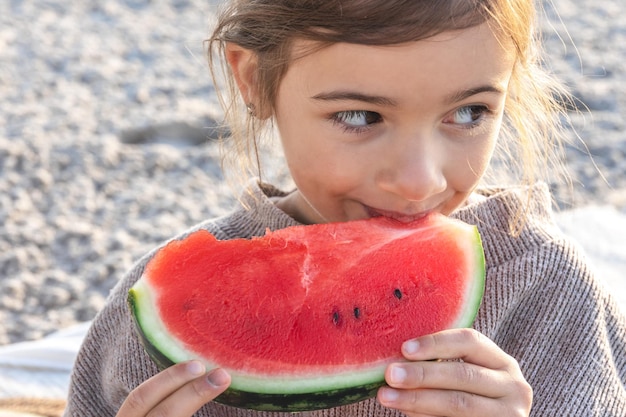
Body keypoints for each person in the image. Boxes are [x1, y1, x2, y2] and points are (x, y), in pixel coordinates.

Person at [63, 1, 626, 416]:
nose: (417, 180)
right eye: (360, 117)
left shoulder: (547, 288)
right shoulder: (159, 305)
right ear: (254, 80)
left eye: (469, 113)